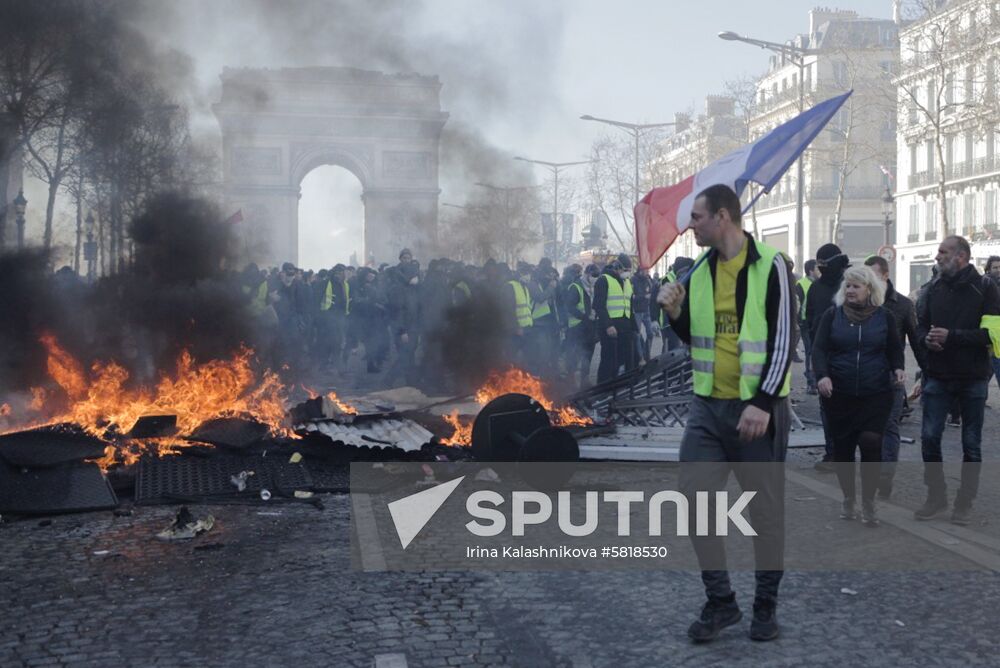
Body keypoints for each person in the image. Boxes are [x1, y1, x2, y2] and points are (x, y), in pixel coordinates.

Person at [657, 184, 793, 643]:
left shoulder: (770, 265)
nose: (690, 226)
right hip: (707, 409)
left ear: (722, 217)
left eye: (697, 217)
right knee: (695, 502)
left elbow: (784, 341)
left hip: (758, 412)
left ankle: (765, 607)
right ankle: (721, 602)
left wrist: (763, 402)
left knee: (764, 515)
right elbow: (697, 339)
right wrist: (675, 315)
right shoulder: (699, 271)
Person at [914, 235, 1000, 525]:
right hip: (938, 375)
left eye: (942, 252)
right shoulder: (932, 288)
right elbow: (920, 327)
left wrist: (952, 337)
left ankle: (965, 502)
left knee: (971, 444)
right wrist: (927, 340)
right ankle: (936, 496)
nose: (937, 257)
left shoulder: (986, 289)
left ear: (961, 256)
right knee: (928, 438)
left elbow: (992, 335)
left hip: (973, 377)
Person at [811, 265, 905, 526]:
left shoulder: (884, 317)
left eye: (856, 286)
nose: (851, 290)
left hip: (875, 391)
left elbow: (895, 348)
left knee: (871, 441)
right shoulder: (833, 316)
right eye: (848, 286)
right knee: (843, 448)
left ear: (869, 289)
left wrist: (898, 367)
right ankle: (849, 498)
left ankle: (869, 502)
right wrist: (822, 376)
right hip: (839, 392)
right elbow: (819, 350)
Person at [864, 256, 926, 499]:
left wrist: (927, 371)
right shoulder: (861, 302)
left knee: (889, 426)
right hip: (864, 376)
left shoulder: (901, 305)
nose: (868, 282)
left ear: (885, 275)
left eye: (873, 276)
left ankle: (885, 476)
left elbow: (916, 339)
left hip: (891, 376)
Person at [805, 243, 850, 472]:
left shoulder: (850, 286)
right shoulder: (815, 289)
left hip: (848, 356)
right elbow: (809, 319)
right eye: (819, 265)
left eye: (825, 265)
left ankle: (846, 454)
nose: (822, 269)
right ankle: (833, 453)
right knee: (827, 408)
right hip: (823, 356)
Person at [594, 253, 636, 384]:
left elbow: (629, 304)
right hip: (610, 327)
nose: (627, 274)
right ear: (617, 267)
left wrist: (634, 326)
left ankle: (621, 388)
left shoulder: (627, 282)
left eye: (629, 271)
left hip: (626, 327)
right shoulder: (603, 280)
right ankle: (602, 388)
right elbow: (598, 305)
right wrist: (608, 325)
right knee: (609, 360)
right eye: (625, 270)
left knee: (627, 359)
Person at [564, 263, 597, 387]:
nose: (595, 278)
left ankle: (585, 379)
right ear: (587, 274)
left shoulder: (593, 287)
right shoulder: (576, 287)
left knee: (588, 352)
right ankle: (571, 380)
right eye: (593, 275)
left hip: (589, 326)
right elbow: (570, 306)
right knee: (575, 354)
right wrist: (584, 316)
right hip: (577, 327)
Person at [795, 260, 820, 393]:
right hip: (805, 324)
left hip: (817, 323)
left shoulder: (819, 284)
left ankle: (814, 379)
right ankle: (811, 382)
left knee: (816, 351)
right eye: (817, 269)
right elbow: (796, 305)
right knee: (810, 351)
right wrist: (798, 321)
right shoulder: (801, 284)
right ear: (811, 270)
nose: (819, 271)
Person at [632, 267, 656, 363]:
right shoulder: (633, 280)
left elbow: (651, 292)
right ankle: (641, 356)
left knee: (650, 333)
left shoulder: (647, 280)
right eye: (646, 271)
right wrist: (643, 297)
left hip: (646, 310)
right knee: (637, 335)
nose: (647, 272)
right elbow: (632, 297)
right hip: (637, 311)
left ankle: (647, 353)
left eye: (648, 271)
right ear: (640, 271)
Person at [984, 255, 1000, 390]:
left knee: (989, 370)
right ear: (988, 269)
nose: (998, 270)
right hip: (990, 336)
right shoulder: (986, 284)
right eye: (995, 267)